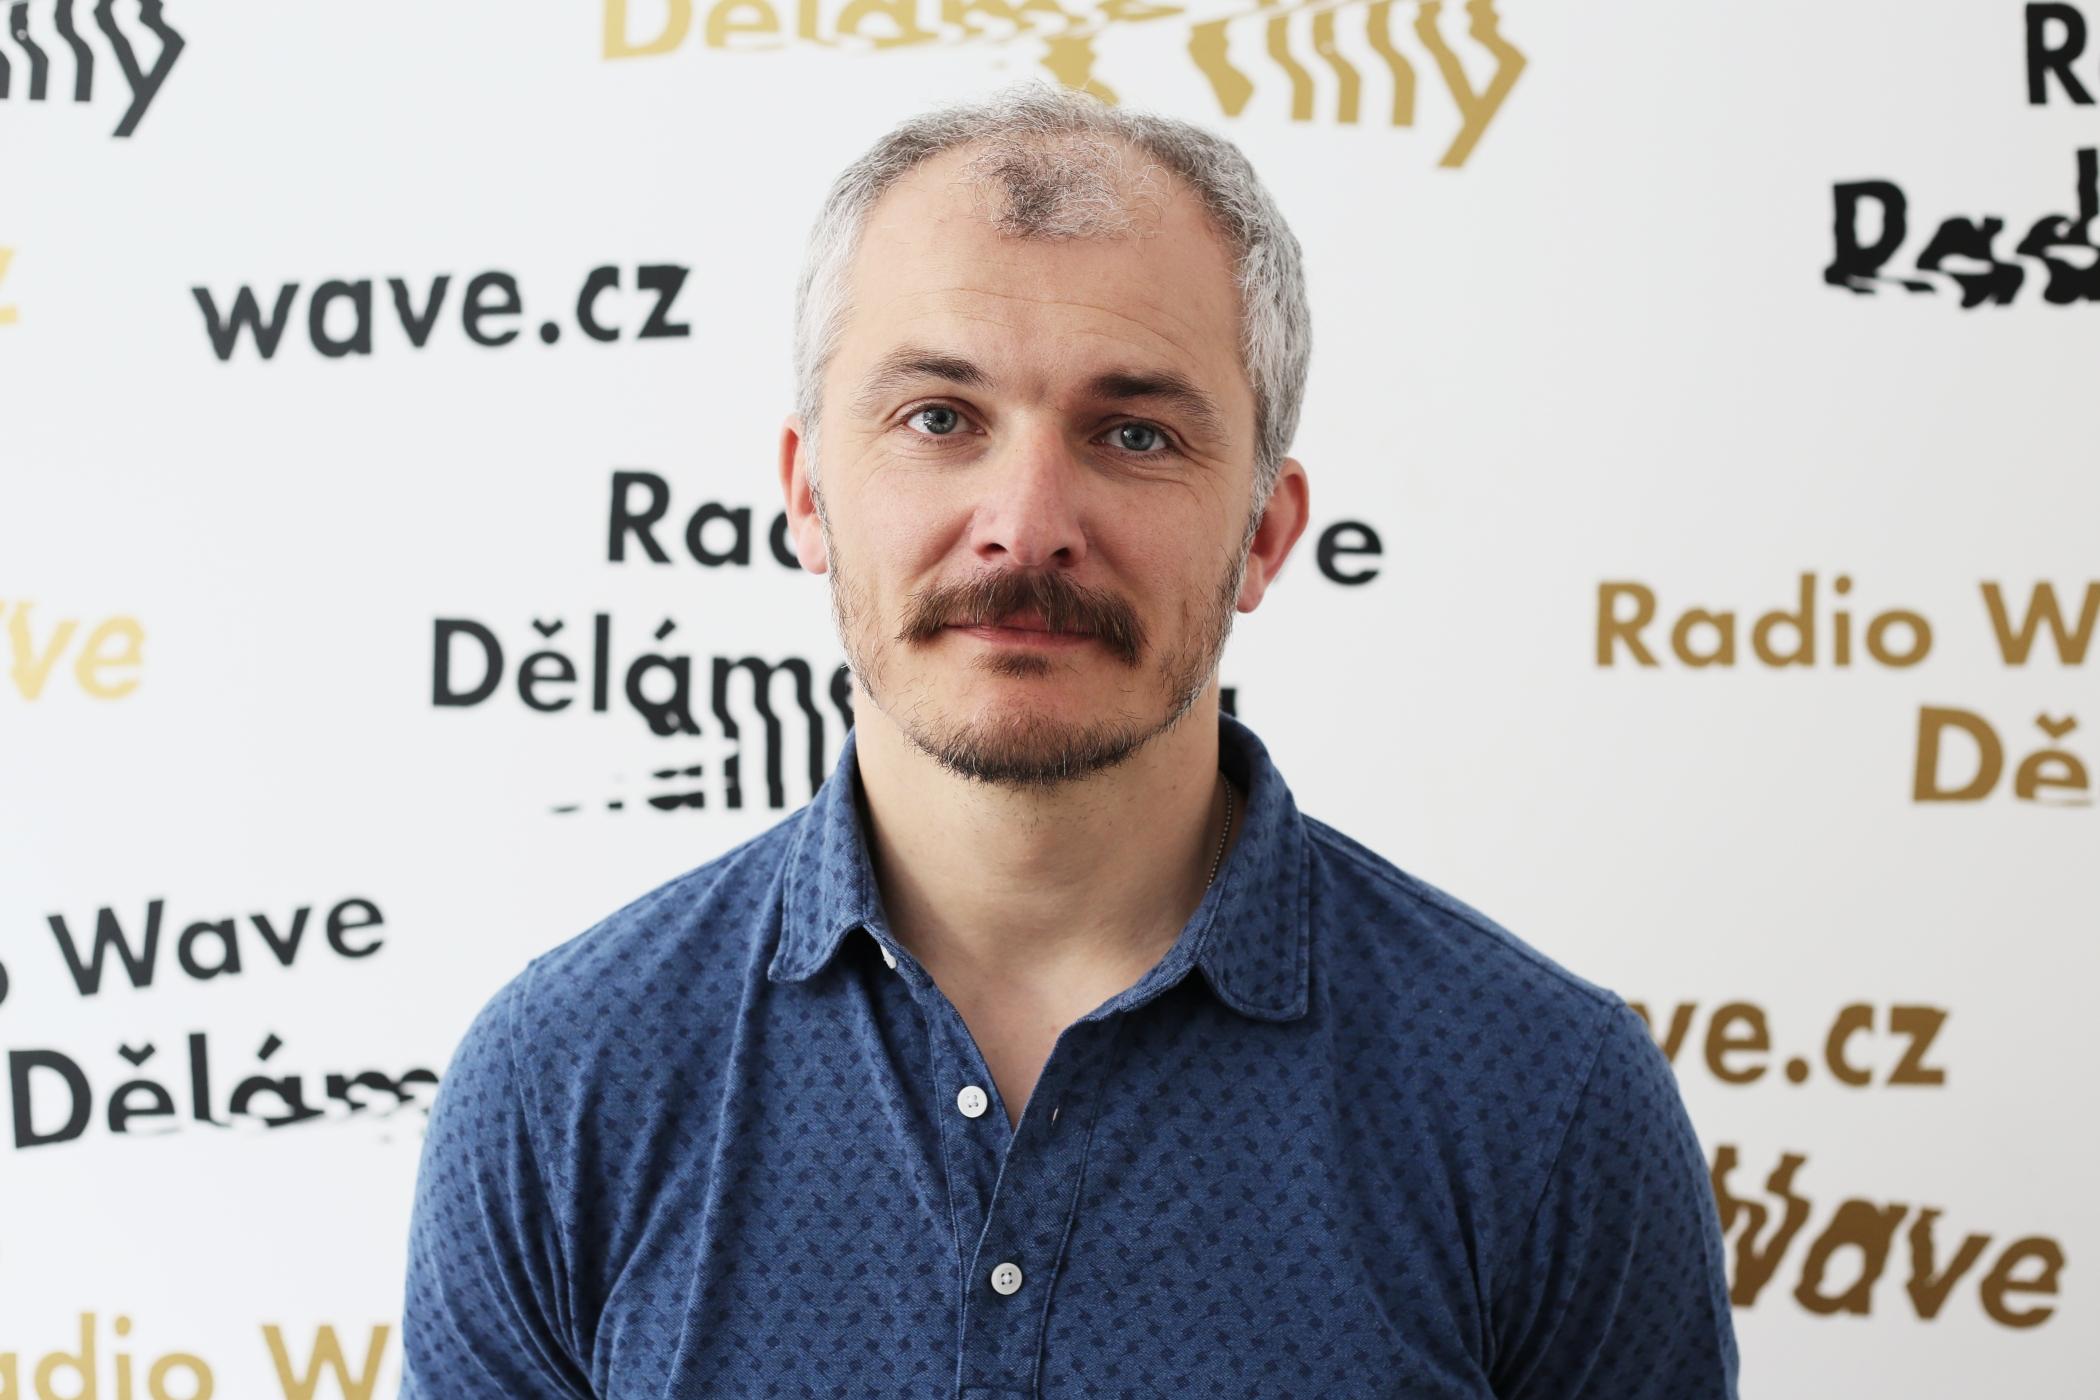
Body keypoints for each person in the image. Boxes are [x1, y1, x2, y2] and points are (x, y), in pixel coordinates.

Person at [401, 79, 1741, 1398]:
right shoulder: (562, 1082)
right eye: (940, 418)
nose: (1027, 524)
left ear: (1264, 533)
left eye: (1134, 433)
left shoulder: (1542, 1098)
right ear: (808, 495)